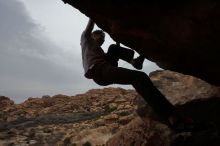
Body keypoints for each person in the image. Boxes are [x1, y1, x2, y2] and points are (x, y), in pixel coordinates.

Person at [80, 19, 197, 132]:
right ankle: (171, 116)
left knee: (113, 49)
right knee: (139, 77)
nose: (102, 39)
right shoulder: (86, 38)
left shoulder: (99, 51)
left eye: (104, 38)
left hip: (103, 71)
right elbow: (90, 25)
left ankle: (134, 62)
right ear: (92, 35)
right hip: (99, 69)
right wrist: (94, 16)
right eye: (100, 36)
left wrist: (118, 41)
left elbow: (114, 54)